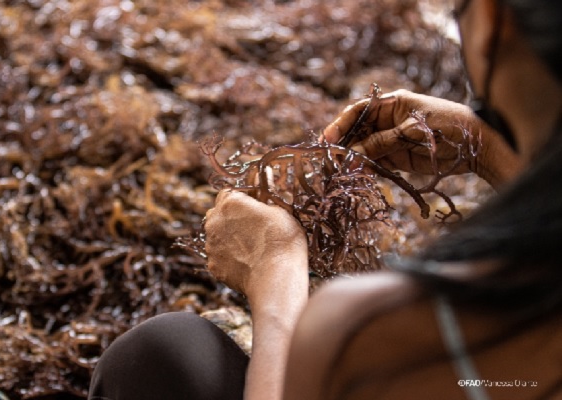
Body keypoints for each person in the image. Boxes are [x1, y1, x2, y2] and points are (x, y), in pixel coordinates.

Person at [88, 0, 562, 398]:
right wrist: (487, 149)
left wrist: (275, 269)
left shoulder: (372, 325)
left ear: (491, 22)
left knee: (158, 359)